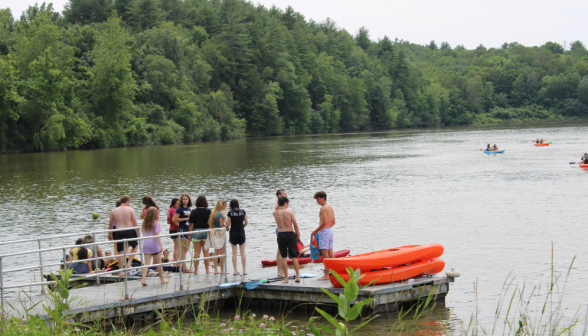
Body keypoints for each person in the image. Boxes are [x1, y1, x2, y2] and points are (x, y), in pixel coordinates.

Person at [108, 195, 139, 277]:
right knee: (135, 246)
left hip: (118, 231)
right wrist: (137, 233)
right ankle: (128, 264)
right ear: (127, 202)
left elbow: (111, 224)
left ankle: (121, 272)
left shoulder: (113, 211)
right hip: (129, 230)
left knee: (121, 251)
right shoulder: (130, 210)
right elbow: (134, 222)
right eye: (129, 202)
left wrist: (110, 234)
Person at [273, 197, 301, 283]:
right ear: (285, 203)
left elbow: (276, 208)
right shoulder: (290, 212)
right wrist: (298, 236)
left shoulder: (275, 213)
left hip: (281, 235)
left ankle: (286, 278)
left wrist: (278, 204)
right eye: (288, 203)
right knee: (294, 256)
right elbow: (295, 225)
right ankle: (298, 277)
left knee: (284, 257)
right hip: (290, 234)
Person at [140, 207, 168, 286]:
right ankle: (162, 279)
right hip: (154, 244)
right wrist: (161, 245)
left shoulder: (144, 223)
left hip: (146, 244)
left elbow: (143, 233)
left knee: (146, 263)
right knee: (158, 263)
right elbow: (157, 235)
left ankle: (143, 279)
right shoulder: (156, 223)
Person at [312, 191, 336, 281]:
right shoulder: (330, 207)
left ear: (323, 198)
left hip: (324, 232)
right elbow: (333, 222)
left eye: (318, 199)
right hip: (329, 231)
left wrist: (315, 231)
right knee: (331, 254)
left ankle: (326, 275)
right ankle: (335, 272)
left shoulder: (323, 208)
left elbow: (325, 222)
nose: (317, 201)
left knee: (325, 255)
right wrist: (327, 229)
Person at [189, 195, 212, 274]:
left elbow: (191, 224)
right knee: (206, 252)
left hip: (196, 231)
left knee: (196, 252)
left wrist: (189, 234)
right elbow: (210, 222)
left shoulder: (194, 211)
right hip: (206, 231)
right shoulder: (209, 211)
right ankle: (207, 270)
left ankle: (195, 270)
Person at [226, 199, 248, 275]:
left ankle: (235, 270)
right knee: (243, 253)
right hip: (241, 232)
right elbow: (246, 222)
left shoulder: (230, 213)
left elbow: (228, 224)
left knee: (234, 253)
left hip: (233, 233)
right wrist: (243, 227)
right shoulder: (243, 211)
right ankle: (244, 270)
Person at [172, 193, 192, 272]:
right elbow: (175, 219)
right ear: (181, 200)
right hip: (182, 229)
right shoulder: (179, 209)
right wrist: (186, 219)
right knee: (183, 249)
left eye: (186, 199)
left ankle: (183, 265)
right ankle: (184, 267)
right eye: (183, 199)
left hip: (188, 229)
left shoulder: (189, 209)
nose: (185, 201)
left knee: (186, 249)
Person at [208, 200, 228, 275]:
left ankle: (215, 270)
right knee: (222, 253)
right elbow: (222, 224)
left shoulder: (213, 213)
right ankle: (222, 270)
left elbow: (208, 222)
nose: (225, 207)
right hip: (220, 233)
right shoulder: (220, 213)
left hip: (214, 232)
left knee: (216, 252)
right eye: (225, 205)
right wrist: (225, 220)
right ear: (221, 206)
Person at [274, 189, 287, 277]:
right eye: (284, 193)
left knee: (280, 251)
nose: (286, 194)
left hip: (283, 229)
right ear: (279, 195)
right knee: (280, 251)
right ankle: (280, 272)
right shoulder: (278, 204)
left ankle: (281, 271)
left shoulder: (283, 203)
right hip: (281, 229)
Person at [166, 198, 180, 265]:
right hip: (175, 229)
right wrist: (179, 226)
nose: (179, 205)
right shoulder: (174, 210)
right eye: (177, 204)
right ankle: (176, 263)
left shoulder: (169, 210)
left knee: (176, 246)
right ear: (174, 204)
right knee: (177, 247)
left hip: (171, 229)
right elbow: (174, 220)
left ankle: (175, 262)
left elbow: (168, 221)